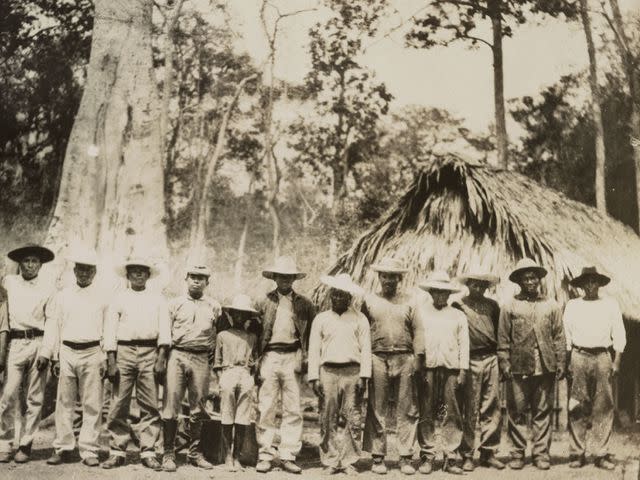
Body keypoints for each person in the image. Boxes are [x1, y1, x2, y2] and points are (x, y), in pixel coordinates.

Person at [39, 248, 108, 467]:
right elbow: (54, 327)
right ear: (74, 270)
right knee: (64, 403)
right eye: (80, 269)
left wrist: (105, 355)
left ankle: (89, 449)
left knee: (92, 404)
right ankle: (63, 447)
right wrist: (54, 356)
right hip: (67, 351)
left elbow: (108, 329)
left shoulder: (103, 297)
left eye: (88, 269)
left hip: (93, 351)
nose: (84, 273)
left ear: (94, 272)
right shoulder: (62, 296)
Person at [102, 257, 171, 470]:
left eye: (143, 271)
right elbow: (110, 330)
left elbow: (165, 330)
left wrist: (161, 358)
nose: (138, 274)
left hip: (150, 351)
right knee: (119, 401)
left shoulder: (158, 299)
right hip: (123, 350)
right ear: (128, 274)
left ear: (148, 275)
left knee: (150, 403)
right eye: (134, 271)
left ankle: (148, 450)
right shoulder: (119, 298)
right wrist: (111, 360)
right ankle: (117, 451)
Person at [498, 258, 566, 471]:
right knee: (516, 412)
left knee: (542, 412)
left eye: (533, 277)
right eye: (526, 278)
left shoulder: (551, 305)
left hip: (545, 367)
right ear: (519, 281)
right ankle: (517, 453)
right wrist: (505, 363)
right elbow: (503, 338)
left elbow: (559, 336)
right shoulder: (509, 306)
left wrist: (561, 361)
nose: (530, 281)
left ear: (539, 279)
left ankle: (541, 454)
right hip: (518, 367)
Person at [361, 257, 423, 476]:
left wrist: (417, 359)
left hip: (405, 358)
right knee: (377, 408)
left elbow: (418, 331)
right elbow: (362, 331)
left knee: (407, 409)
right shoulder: (368, 300)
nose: (388, 280)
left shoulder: (410, 301)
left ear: (399, 278)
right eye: (384, 275)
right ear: (379, 277)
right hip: (377, 357)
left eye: (392, 276)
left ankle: (405, 456)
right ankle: (378, 456)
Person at [254, 256, 316, 474]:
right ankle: (265, 454)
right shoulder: (263, 301)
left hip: (293, 355)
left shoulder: (305, 304)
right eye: (281, 276)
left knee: (293, 407)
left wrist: (306, 357)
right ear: (275, 278)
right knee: (267, 405)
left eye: (289, 276)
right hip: (270, 355)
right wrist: (255, 360)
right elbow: (255, 333)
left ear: (293, 279)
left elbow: (310, 334)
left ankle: (288, 454)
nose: (285, 280)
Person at [563, 266, 625, 471]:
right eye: (586, 282)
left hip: (602, 357)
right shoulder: (573, 305)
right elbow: (566, 335)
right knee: (577, 404)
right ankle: (577, 452)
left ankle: (601, 453)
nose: (590, 286)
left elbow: (619, 333)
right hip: (579, 356)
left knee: (603, 405)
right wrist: (568, 361)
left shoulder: (610, 305)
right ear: (581, 285)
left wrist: (616, 360)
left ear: (599, 283)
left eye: (594, 281)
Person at [308, 273, 371, 475]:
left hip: (352, 371)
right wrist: (314, 376)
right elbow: (314, 349)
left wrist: (364, 375)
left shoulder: (360, 319)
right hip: (328, 371)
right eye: (335, 294)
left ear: (350, 297)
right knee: (328, 416)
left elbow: (366, 348)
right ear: (330, 295)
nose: (338, 298)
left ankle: (350, 460)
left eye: (343, 294)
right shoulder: (321, 319)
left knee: (352, 416)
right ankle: (330, 460)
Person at [161, 264, 220, 472]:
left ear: (207, 282)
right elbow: (165, 334)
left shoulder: (214, 306)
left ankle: (194, 453)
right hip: (177, 353)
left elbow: (216, 334)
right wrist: (163, 359)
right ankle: (168, 453)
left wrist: (211, 359)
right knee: (171, 403)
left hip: (201, 356)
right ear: (186, 279)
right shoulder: (174, 304)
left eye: (201, 278)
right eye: (193, 277)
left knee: (199, 405)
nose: (197, 280)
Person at [0, 243, 55, 463]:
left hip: (38, 341)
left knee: (35, 397)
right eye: (26, 261)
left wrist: (46, 351)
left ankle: (26, 443)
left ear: (40, 265)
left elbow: (52, 321)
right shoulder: (9, 282)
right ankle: (5, 443)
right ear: (20, 264)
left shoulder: (48, 289)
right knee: (8, 394)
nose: (30, 265)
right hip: (15, 342)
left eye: (34, 261)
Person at [415, 271, 468, 475]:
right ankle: (427, 456)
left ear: (449, 294)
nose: (440, 296)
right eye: (436, 292)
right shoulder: (421, 313)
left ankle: (450, 456)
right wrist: (418, 367)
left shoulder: (457, 315)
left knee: (451, 412)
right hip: (428, 368)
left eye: (444, 292)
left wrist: (463, 370)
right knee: (426, 411)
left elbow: (464, 344)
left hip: (451, 369)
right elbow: (417, 342)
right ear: (431, 293)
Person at [454, 271, 504, 471]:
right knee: (470, 407)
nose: (479, 288)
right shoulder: (459, 305)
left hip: (491, 357)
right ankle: (466, 454)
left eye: (483, 285)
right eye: (475, 284)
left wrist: (501, 358)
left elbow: (500, 333)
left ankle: (488, 452)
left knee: (491, 406)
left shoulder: (492, 306)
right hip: (470, 359)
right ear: (468, 284)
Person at [214, 294, 259, 472]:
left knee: (242, 417)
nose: (240, 317)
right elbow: (217, 362)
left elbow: (255, 360)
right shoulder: (222, 335)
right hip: (228, 372)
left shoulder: (252, 337)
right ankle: (227, 456)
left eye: (244, 314)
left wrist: (251, 379)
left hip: (246, 374)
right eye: (237, 314)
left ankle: (237, 457)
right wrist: (221, 380)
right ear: (231, 315)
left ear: (248, 317)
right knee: (227, 415)